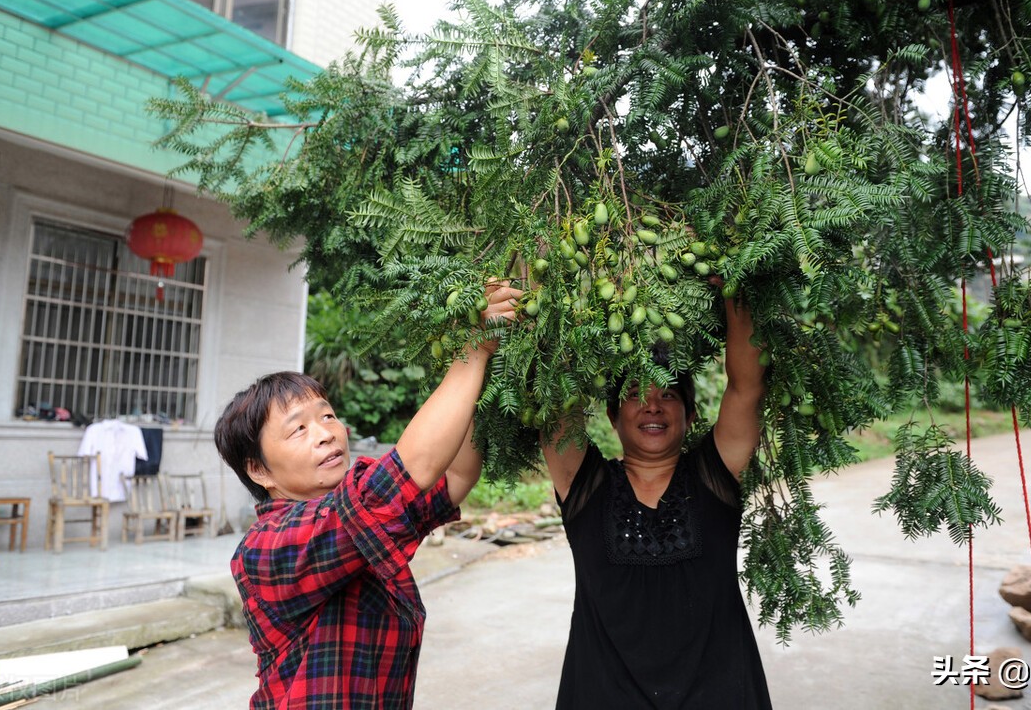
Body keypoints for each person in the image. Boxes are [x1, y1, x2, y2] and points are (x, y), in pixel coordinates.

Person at [214, 282, 519, 710]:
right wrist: (473, 351)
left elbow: (453, 474)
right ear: (259, 469)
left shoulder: (359, 520)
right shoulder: (266, 549)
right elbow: (405, 477)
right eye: (299, 428)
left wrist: (489, 365)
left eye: (327, 416)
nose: (325, 434)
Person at [542, 294, 772, 709]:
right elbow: (553, 397)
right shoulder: (585, 485)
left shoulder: (712, 477)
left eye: (668, 394)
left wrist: (737, 292)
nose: (652, 404)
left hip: (718, 695)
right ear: (612, 415)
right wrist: (551, 277)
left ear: (691, 414)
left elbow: (745, 388)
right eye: (634, 393)